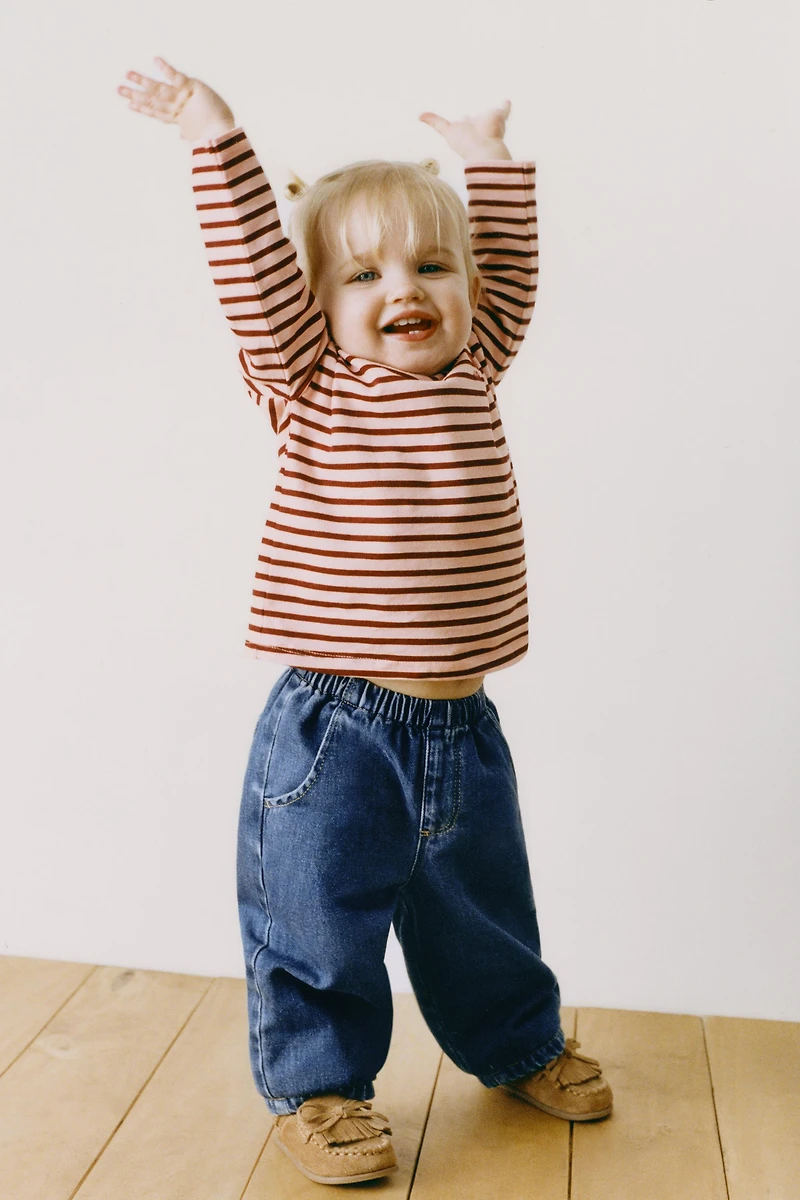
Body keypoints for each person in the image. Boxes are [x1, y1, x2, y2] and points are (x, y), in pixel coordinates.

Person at [117, 58, 613, 1187]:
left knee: (478, 907)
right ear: (315, 304)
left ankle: (514, 1040)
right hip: (334, 726)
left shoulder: (477, 363)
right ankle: (322, 1086)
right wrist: (215, 132)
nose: (407, 288)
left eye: (433, 265)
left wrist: (488, 161)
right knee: (317, 918)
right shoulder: (305, 378)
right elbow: (252, 274)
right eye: (365, 272)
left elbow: (512, 270)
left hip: (461, 720)